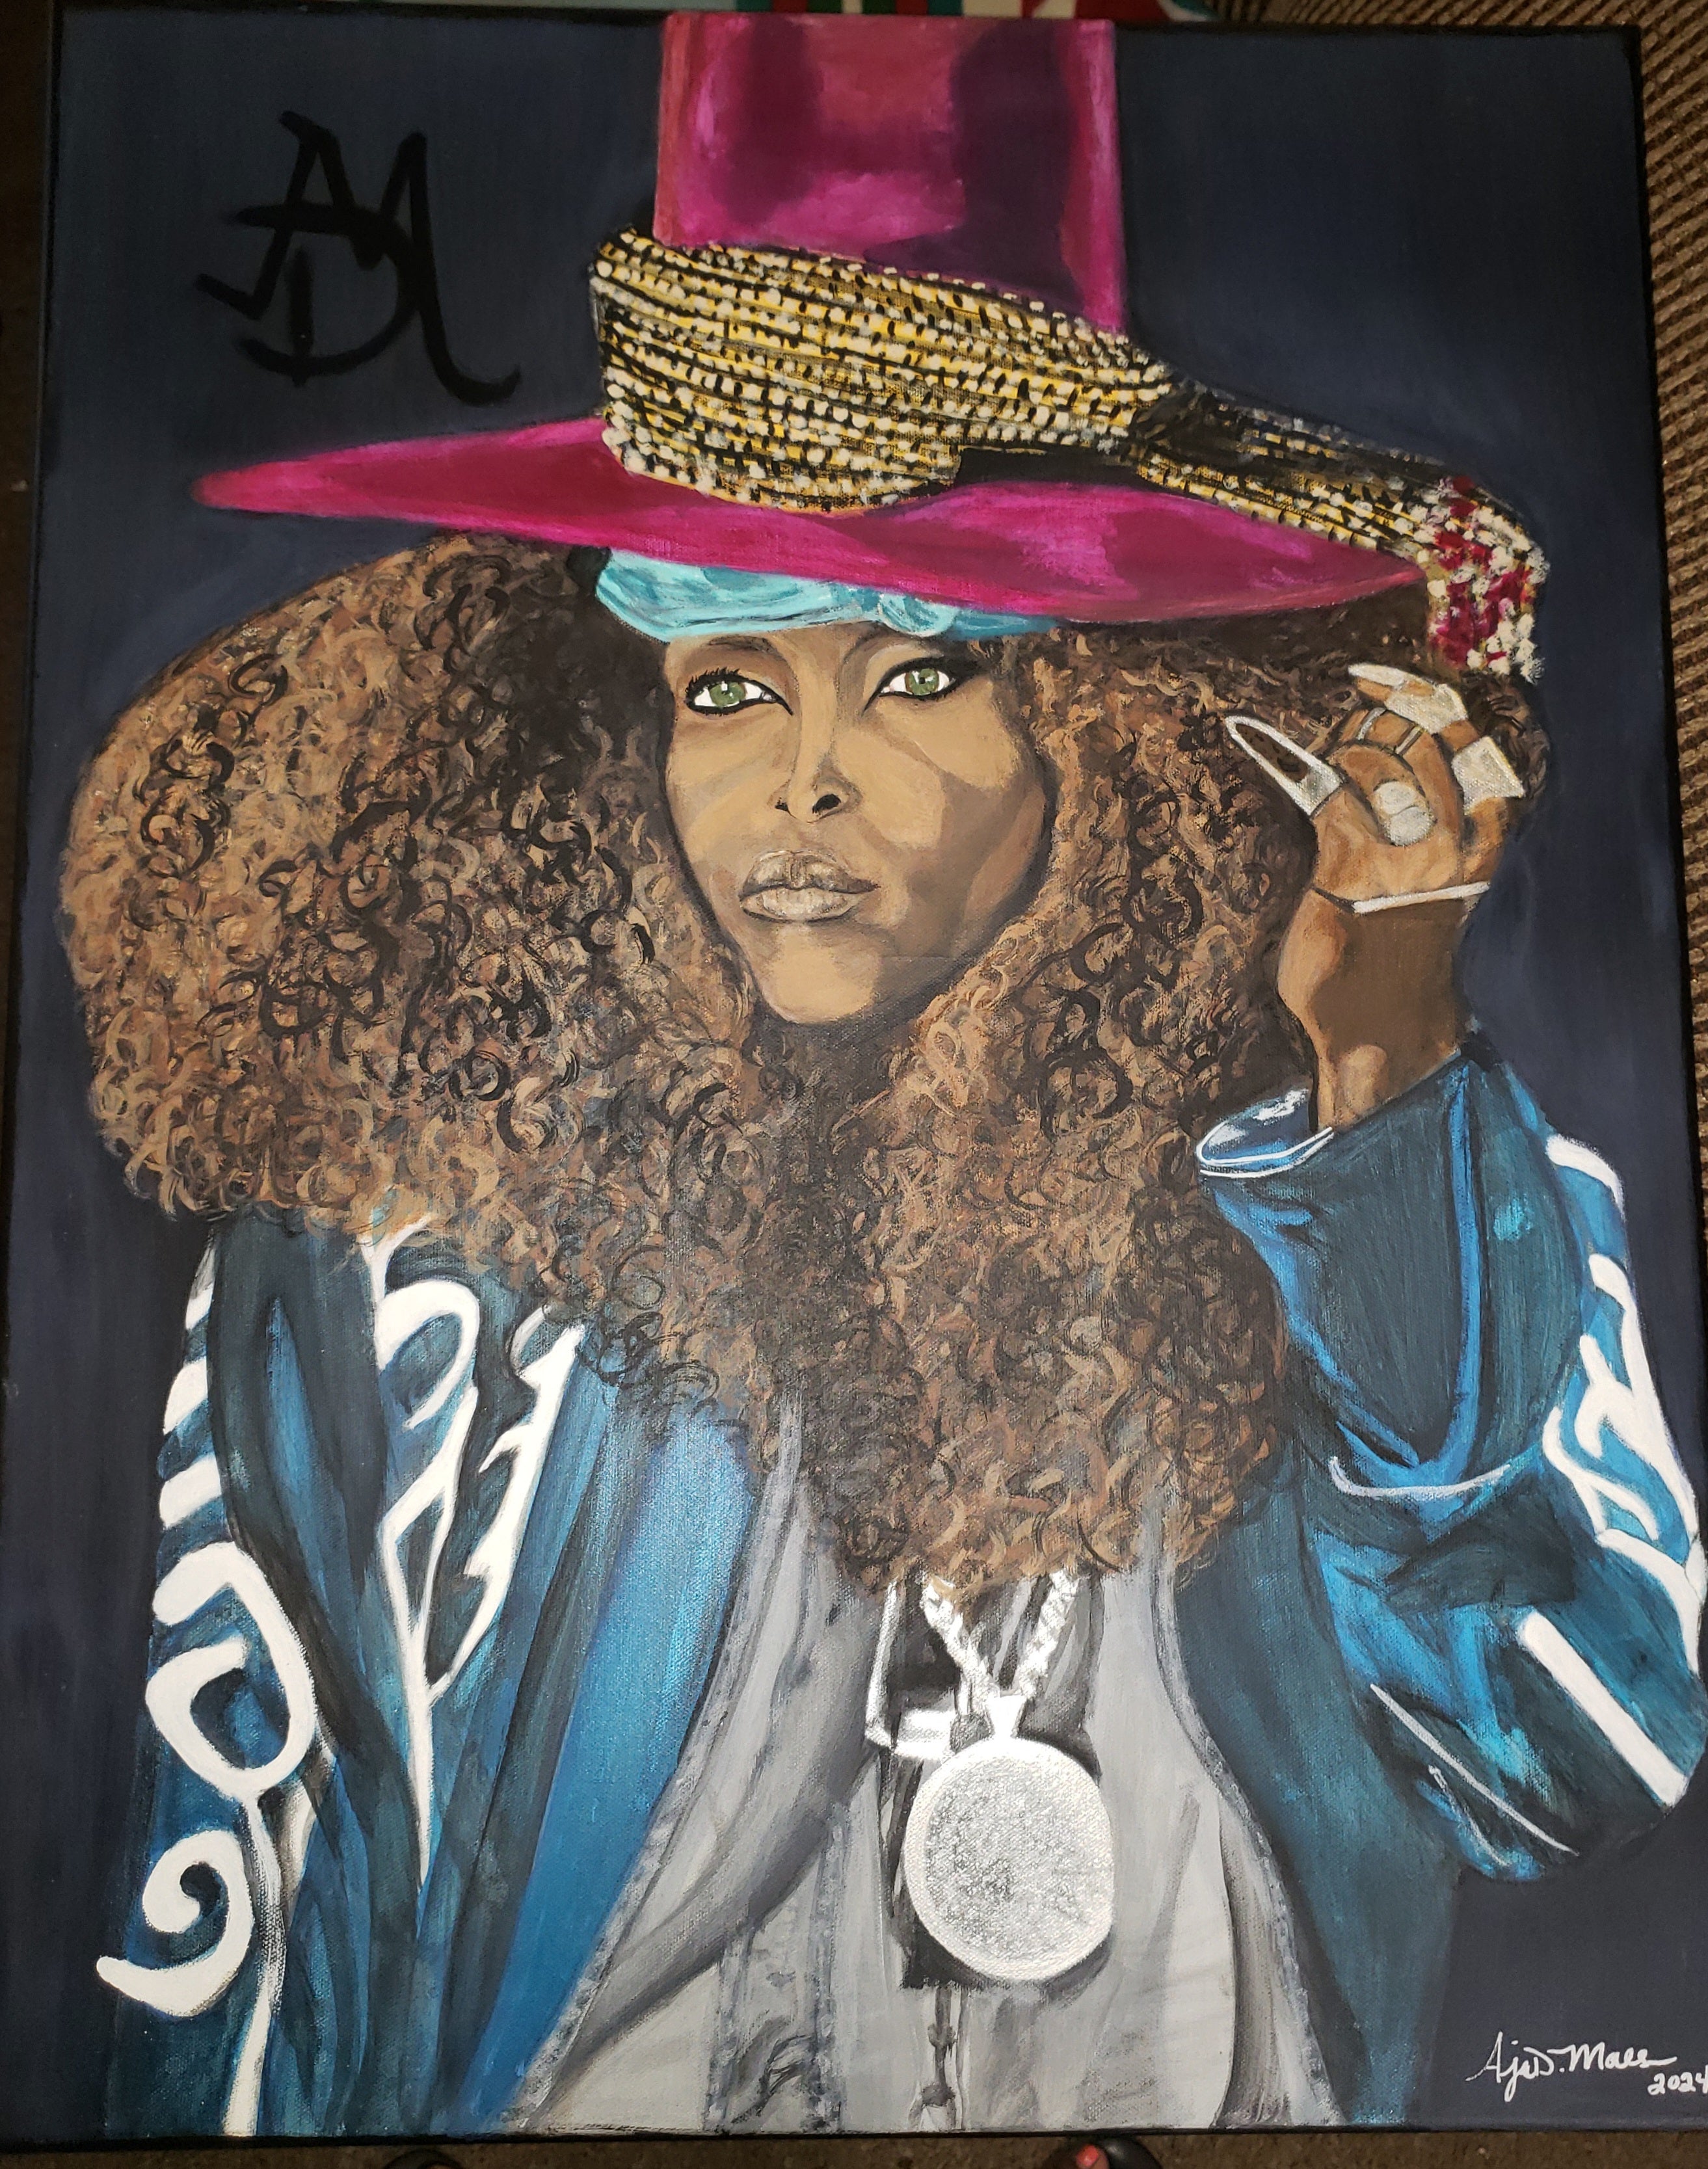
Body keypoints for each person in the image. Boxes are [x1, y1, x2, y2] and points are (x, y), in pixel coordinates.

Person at [64, 10, 1707, 2142]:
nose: (803, 786)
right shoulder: (389, 1274)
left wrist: (1380, 1085)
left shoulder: (1398, 1181)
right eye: (724, 681)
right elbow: (234, 1953)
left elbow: (1565, 1767)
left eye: (925, 671)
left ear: (1117, 731)